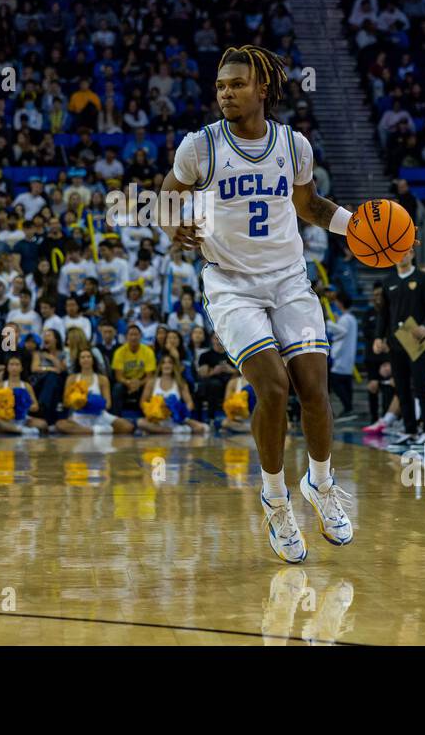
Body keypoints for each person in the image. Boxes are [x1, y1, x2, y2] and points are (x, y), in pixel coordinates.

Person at [162, 44, 353, 563]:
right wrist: (171, 218)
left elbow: (309, 205)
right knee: (273, 387)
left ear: (262, 90)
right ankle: (275, 498)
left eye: (237, 85)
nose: (226, 93)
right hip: (230, 283)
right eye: (221, 86)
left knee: (315, 389)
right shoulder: (199, 146)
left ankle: (320, 483)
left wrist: (354, 226)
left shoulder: (293, 145)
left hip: (289, 279)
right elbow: (169, 191)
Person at [378, 250, 425, 450]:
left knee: (421, 387)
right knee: (402, 388)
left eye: (405, 253)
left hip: (415, 340)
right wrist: (379, 337)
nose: (401, 256)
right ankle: (410, 430)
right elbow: (383, 313)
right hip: (395, 342)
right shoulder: (389, 281)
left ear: (412, 254)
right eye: (396, 253)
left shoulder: (422, 278)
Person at [57, 348, 133, 435]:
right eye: (83, 357)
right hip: (79, 416)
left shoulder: (102, 379)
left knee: (128, 426)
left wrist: (93, 403)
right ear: (79, 361)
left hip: (99, 415)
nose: (86, 359)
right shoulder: (71, 378)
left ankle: (87, 431)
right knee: (60, 425)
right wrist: (78, 402)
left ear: (93, 360)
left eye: (88, 357)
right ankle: (97, 431)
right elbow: (66, 403)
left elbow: (108, 404)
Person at [138, 353, 206, 435]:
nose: (167, 365)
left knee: (201, 427)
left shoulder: (180, 383)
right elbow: (143, 402)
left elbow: (190, 402)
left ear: (174, 366)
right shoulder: (152, 382)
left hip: (175, 419)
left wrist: (182, 412)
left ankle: (161, 431)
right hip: (157, 419)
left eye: (170, 362)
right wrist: (152, 411)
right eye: (164, 362)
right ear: (160, 366)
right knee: (140, 422)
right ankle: (173, 431)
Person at [326, 290, 358, 421]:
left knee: (337, 383)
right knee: (346, 384)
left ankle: (348, 408)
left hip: (341, 357)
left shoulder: (346, 319)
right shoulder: (350, 318)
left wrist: (329, 323)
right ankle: (348, 409)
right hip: (347, 357)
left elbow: (342, 331)